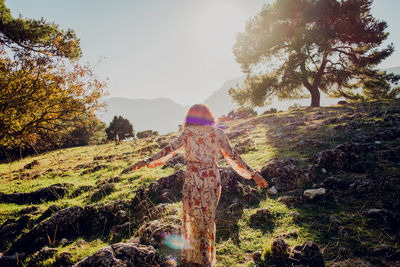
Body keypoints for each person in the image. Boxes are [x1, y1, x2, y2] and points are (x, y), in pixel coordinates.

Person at [127, 104, 268, 267]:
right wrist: (253, 174)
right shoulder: (219, 133)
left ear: (190, 117)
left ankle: (194, 258)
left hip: (193, 179)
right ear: (209, 116)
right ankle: (205, 259)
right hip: (211, 180)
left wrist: (146, 161)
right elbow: (234, 156)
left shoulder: (188, 132)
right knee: (207, 220)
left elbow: (169, 149)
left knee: (193, 219)